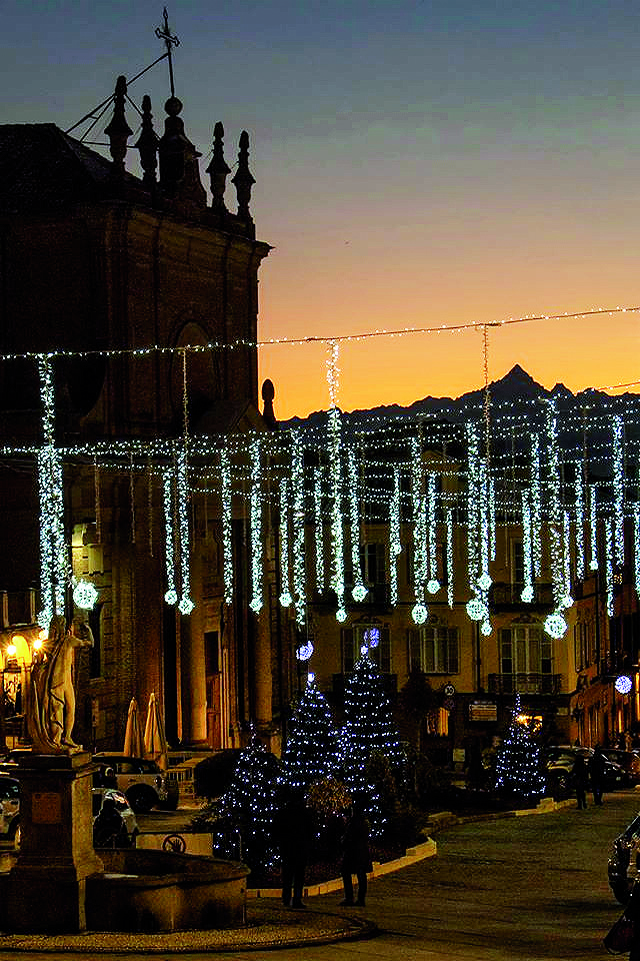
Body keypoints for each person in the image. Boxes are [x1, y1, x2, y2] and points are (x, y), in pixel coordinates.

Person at [28, 614, 94, 753]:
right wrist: (88, 631)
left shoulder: (57, 642)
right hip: (59, 682)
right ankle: (57, 740)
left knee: (66, 710)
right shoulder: (65, 641)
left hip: (61, 681)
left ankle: (65, 738)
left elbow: (38, 664)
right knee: (62, 710)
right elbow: (90, 643)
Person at [274, 788, 312, 908]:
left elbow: (276, 828)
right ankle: (296, 899)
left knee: (288, 874)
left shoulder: (284, 811)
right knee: (299, 875)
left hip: (287, 847)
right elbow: (310, 830)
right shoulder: (304, 812)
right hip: (300, 847)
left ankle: (286, 898)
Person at [340, 801, 372, 908]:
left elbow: (348, 838)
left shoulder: (353, 822)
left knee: (346, 873)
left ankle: (350, 898)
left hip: (353, 853)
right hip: (363, 852)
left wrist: (343, 841)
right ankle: (361, 899)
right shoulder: (365, 822)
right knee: (361, 876)